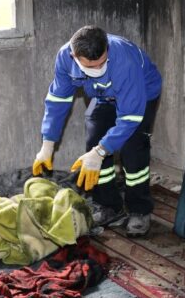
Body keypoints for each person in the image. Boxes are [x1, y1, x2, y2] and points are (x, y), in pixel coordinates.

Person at [32, 25, 162, 238]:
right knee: (94, 139)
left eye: (101, 63)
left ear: (107, 49)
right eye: (90, 66)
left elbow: (130, 118)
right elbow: (58, 100)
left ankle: (139, 210)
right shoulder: (65, 58)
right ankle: (108, 205)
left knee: (133, 149)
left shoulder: (124, 61)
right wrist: (47, 145)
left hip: (140, 94)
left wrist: (101, 151)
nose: (97, 69)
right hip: (103, 96)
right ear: (75, 56)